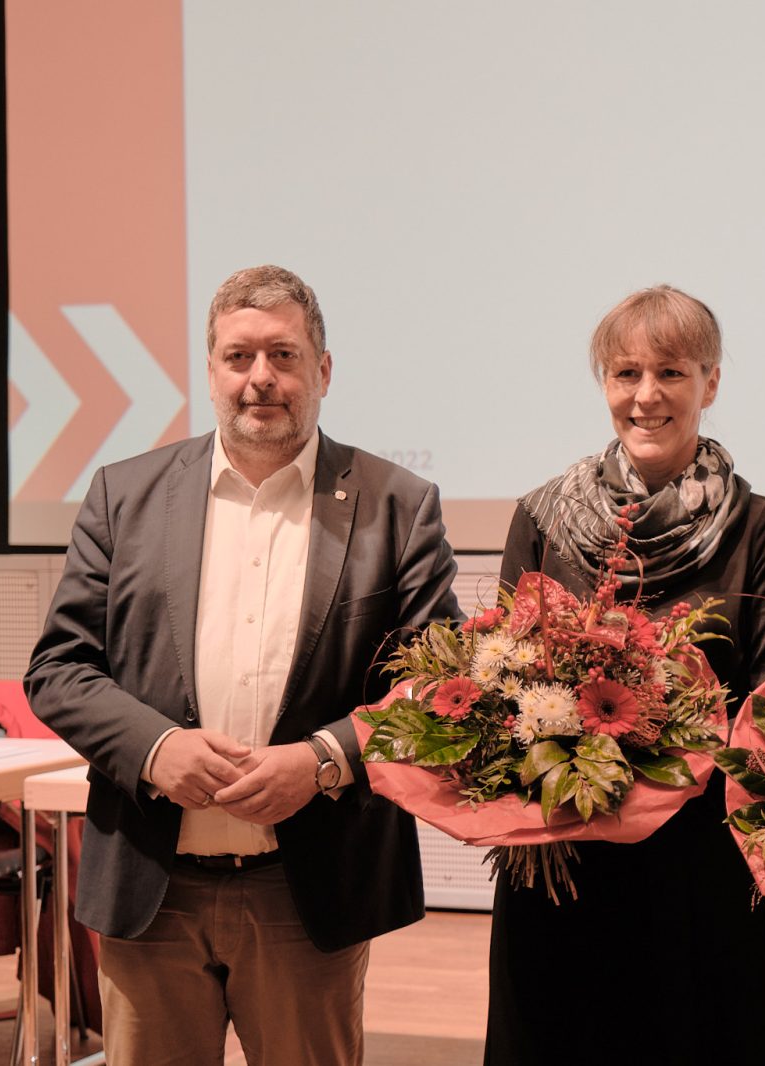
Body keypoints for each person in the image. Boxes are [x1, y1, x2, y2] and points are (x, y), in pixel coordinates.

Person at [25, 265, 460, 1064]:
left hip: (309, 893)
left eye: (284, 356)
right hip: (153, 889)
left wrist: (325, 761)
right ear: (212, 369)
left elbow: (440, 691)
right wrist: (157, 750)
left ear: (322, 371)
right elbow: (59, 669)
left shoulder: (397, 504)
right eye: (238, 357)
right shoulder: (125, 495)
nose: (261, 378)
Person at [485, 285, 765, 1065]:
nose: (646, 395)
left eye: (671, 372)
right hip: (560, 855)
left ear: (711, 383)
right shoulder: (543, 517)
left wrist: (669, 756)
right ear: (604, 384)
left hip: (701, 871)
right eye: (626, 373)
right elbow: (502, 676)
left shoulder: (762, 527)